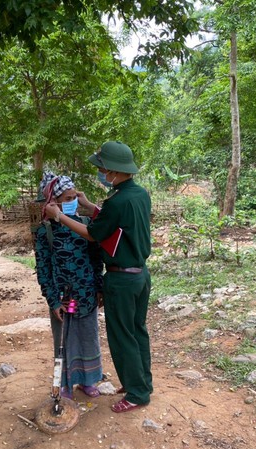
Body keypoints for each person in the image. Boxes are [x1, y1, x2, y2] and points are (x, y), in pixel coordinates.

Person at [44, 141, 152, 413]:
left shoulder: (117, 201)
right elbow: (116, 223)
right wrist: (90, 205)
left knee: (122, 336)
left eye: (103, 168)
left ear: (114, 170)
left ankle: (137, 393)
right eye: (64, 200)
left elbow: (94, 234)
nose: (101, 173)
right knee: (137, 332)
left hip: (120, 280)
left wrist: (59, 217)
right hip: (139, 276)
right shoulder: (138, 195)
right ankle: (139, 383)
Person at [35, 172, 104, 400]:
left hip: (86, 294)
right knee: (64, 338)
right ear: (52, 203)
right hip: (64, 298)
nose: (72, 201)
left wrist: (99, 287)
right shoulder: (45, 232)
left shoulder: (87, 226)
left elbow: (96, 260)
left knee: (88, 335)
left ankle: (88, 380)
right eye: (66, 198)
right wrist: (52, 299)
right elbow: (44, 269)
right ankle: (64, 384)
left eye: (74, 196)